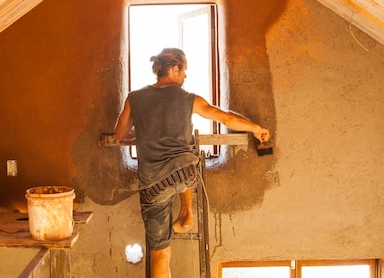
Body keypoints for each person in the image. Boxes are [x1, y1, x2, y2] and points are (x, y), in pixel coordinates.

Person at [114, 48, 271, 278]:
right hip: (183, 174)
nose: (185, 76)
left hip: (152, 185)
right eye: (184, 70)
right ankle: (187, 212)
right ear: (174, 69)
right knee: (186, 156)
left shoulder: (134, 98)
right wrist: (256, 128)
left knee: (160, 254)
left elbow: (119, 134)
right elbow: (224, 117)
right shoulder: (187, 99)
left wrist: (146, 128)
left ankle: (174, 225)